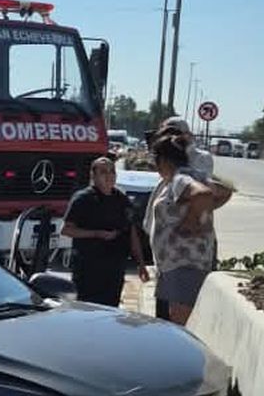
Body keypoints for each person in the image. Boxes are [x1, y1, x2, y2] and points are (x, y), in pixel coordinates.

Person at [149, 134, 227, 326]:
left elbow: (204, 194)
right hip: (182, 265)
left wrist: (192, 219)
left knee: (180, 323)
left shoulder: (180, 179)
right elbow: (225, 190)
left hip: (183, 265)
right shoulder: (192, 175)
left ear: (165, 162)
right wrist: (202, 210)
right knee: (178, 320)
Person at [62, 157, 149, 307]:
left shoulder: (122, 199)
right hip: (89, 268)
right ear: (93, 176)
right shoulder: (83, 199)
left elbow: (132, 232)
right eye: (103, 172)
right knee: (87, 310)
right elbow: (67, 230)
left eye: (112, 172)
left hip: (114, 268)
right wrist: (96, 233)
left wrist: (141, 264)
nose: (109, 175)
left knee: (110, 310)